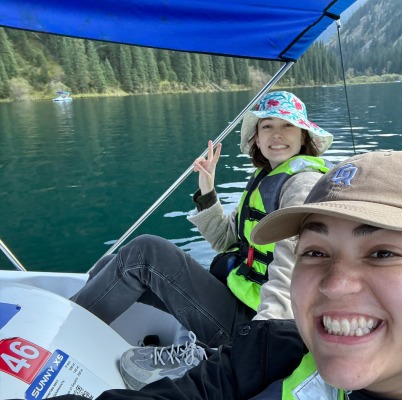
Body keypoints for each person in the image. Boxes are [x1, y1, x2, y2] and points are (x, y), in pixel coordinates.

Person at [49, 150, 402, 400]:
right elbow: (234, 242)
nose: (337, 282)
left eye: (383, 253)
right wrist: (205, 191)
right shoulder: (271, 354)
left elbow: (277, 278)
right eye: (316, 252)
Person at [68, 91, 334, 390]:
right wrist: (207, 191)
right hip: (241, 303)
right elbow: (225, 240)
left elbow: (293, 268)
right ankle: (78, 337)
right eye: (267, 126)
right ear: (257, 138)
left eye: (287, 125)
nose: (276, 134)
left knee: (145, 253)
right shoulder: (266, 178)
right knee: (113, 264)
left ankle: (62, 331)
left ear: (303, 136)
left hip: (260, 328)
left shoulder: (301, 184)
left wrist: (260, 344)